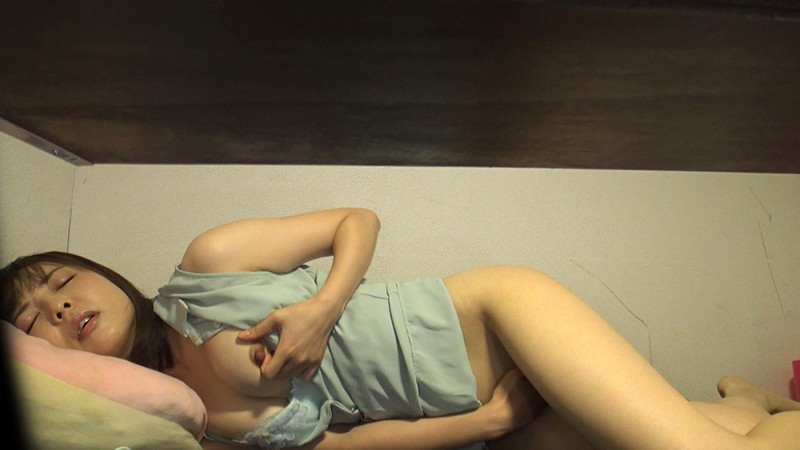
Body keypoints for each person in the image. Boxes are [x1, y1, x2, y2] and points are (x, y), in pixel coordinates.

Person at [2, 207, 800, 450]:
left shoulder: (207, 268)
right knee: (701, 431)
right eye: (34, 317)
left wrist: (321, 308)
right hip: (480, 411)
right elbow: (338, 448)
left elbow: (356, 220)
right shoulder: (193, 425)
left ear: (101, 274)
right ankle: (751, 399)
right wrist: (484, 423)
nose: (59, 308)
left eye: (62, 282)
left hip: (494, 321)